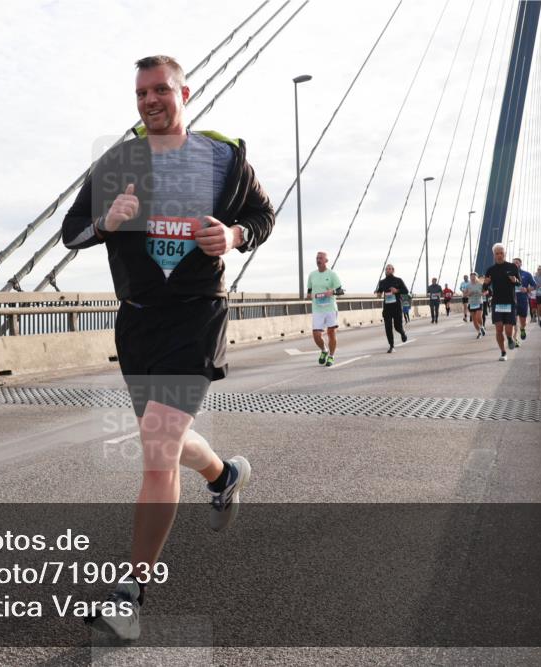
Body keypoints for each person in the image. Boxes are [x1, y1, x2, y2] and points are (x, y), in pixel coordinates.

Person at [61, 54, 275, 640]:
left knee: (156, 450)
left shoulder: (224, 158)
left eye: (160, 90)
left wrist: (233, 234)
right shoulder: (118, 161)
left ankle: (129, 597)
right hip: (137, 322)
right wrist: (107, 220)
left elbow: (262, 213)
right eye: (140, 93)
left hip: (196, 316)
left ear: (184, 91)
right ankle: (224, 473)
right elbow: (72, 230)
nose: (150, 100)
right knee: (167, 440)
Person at [483, 243, 521, 361]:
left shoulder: (512, 267)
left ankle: (510, 338)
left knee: (508, 330)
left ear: (505, 254)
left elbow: (519, 283)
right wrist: (486, 283)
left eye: (501, 253)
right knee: (499, 328)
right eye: (497, 253)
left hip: (510, 302)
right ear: (494, 255)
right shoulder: (490, 270)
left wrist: (515, 280)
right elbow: (484, 289)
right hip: (497, 303)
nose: (499, 255)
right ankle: (503, 352)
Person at [307, 251, 343, 367]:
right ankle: (324, 350)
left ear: (326, 261)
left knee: (331, 333)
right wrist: (308, 295)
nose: (318, 260)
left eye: (321, 258)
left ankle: (331, 356)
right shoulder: (312, 275)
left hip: (330, 308)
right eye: (317, 258)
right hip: (317, 308)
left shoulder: (332, 274)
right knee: (316, 334)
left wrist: (332, 292)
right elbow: (309, 290)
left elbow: (340, 291)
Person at [374, 264, 408, 353]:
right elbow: (379, 291)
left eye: (389, 269)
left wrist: (397, 291)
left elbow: (406, 291)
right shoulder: (382, 282)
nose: (388, 270)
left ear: (393, 270)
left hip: (396, 307)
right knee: (388, 327)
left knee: (397, 327)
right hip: (387, 308)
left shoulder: (398, 280)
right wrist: (378, 295)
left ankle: (402, 332)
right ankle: (391, 346)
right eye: (387, 269)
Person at [512, 257, 536, 345]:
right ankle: (515, 339)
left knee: (523, 321)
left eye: (517, 262)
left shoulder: (527, 274)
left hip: (522, 301)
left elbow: (534, 286)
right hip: (512, 301)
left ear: (520, 264)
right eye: (513, 262)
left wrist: (527, 289)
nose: (515, 264)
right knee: (513, 321)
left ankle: (522, 329)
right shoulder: (508, 275)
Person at [464, 273, 486, 338]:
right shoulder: (468, 285)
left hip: (479, 302)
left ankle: (482, 327)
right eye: (471, 277)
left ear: (477, 277)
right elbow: (464, 295)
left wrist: (482, 293)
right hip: (471, 303)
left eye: (474, 277)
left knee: (478, 317)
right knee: (474, 320)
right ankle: (479, 332)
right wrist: (469, 293)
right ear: (470, 278)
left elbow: (486, 292)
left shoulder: (480, 284)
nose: (473, 278)